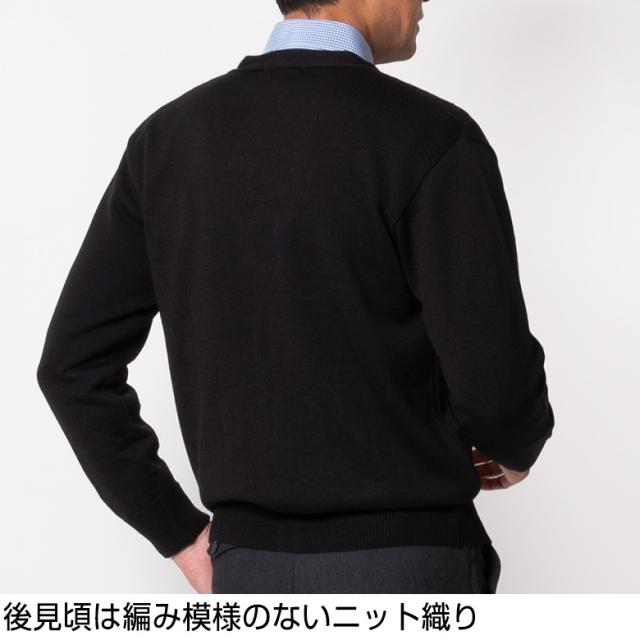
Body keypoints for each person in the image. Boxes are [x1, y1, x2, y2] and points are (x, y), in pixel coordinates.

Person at [36, 0, 555, 594]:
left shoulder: (168, 141)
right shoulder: (432, 137)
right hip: (410, 566)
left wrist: (177, 531)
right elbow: (495, 374)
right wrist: (514, 444)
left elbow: (73, 367)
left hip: (251, 571)